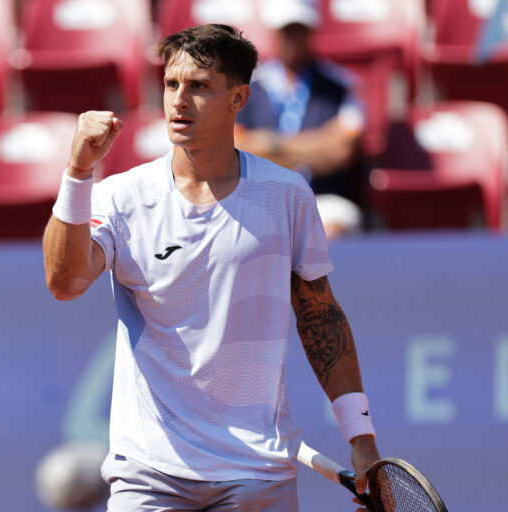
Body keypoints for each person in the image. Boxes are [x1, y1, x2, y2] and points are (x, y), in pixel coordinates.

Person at [43, 23, 379, 512]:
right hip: (148, 473)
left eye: (199, 86)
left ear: (238, 98)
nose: (180, 100)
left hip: (256, 472)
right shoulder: (120, 196)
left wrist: (360, 434)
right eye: (171, 84)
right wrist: (77, 174)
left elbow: (319, 317)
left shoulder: (286, 195)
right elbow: (64, 281)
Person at [235, 0, 366, 239]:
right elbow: (235, 147)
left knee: (331, 232)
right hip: (260, 198)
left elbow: (342, 150)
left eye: (299, 29)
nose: (291, 38)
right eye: (286, 30)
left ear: (311, 32)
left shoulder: (341, 85)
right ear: (273, 32)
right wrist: (316, 145)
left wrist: (269, 146)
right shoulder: (246, 86)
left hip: (325, 200)